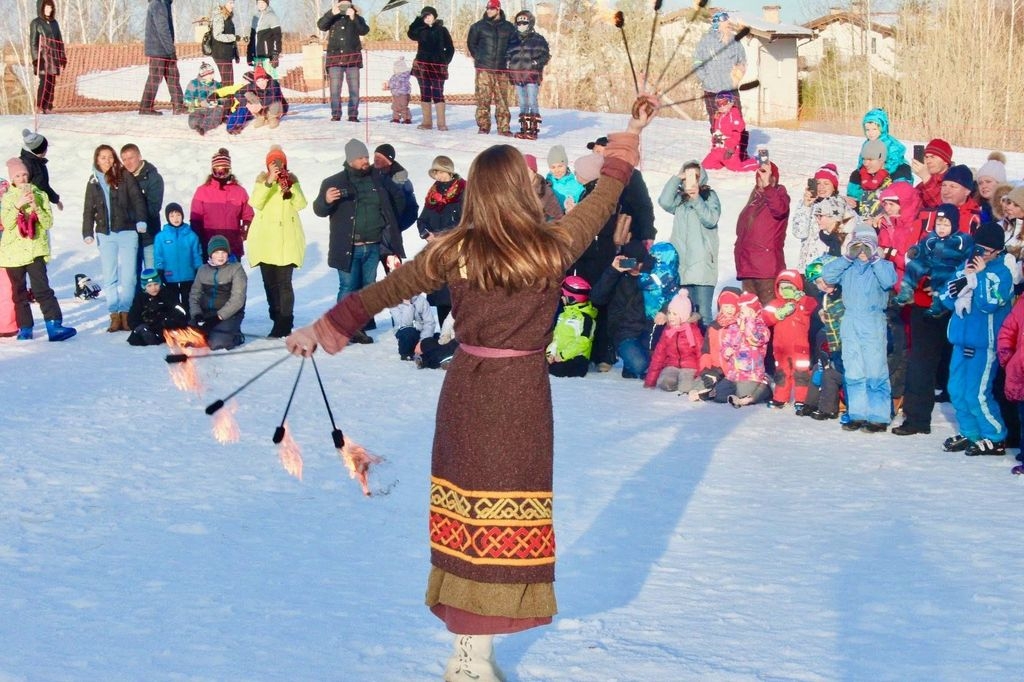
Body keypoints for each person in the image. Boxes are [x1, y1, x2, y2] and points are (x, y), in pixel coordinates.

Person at [284, 104, 655, 679]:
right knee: (501, 520)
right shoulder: (552, 246)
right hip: (522, 397)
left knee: (470, 519)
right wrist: (629, 139)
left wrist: (321, 330)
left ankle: (468, 654)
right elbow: (604, 197)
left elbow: (379, 294)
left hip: (468, 393)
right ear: (521, 191)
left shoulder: (453, 250)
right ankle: (472, 658)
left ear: (478, 194)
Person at [312, 138, 406, 341]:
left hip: (373, 245)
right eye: (361, 158)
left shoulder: (378, 178)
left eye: (366, 156)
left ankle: (357, 329)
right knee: (347, 288)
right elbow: (319, 210)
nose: (365, 160)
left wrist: (389, 223)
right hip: (348, 246)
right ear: (350, 160)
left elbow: (398, 199)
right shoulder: (333, 182)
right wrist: (326, 200)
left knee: (367, 288)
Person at [939, 222, 1012, 455]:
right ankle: (971, 432)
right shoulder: (966, 266)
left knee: (977, 393)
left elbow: (990, 303)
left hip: (984, 343)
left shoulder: (1002, 272)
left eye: (986, 250)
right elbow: (945, 298)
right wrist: (962, 280)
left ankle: (995, 436)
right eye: (977, 248)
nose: (980, 254)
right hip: (961, 340)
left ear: (997, 251)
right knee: (956, 390)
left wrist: (978, 279)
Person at [820, 224, 897, 432]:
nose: (862, 251)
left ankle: (879, 416)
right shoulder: (848, 267)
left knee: (875, 368)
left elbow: (889, 281)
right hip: (851, 320)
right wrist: (846, 257)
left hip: (873, 320)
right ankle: (857, 413)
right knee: (853, 368)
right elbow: (828, 275)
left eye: (867, 246)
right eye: (858, 246)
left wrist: (874, 258)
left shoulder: (883, 265)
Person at [0, 157, 75, 341]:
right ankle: (25, 328)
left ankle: (54, 325)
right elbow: (7, 224)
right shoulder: (8, 198)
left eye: (24, 174)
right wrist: (18, 205)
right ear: (12, 179)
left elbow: (48, 223)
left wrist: (36, 208)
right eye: (18, 175)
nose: (22, 178)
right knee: (18, 292)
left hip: (35, 250)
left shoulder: (40, 194)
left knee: (42, 289)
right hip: (13, 254)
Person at [82, 145, 147, 332]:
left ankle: (126, 314)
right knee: (110, 276)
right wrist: (87, 231)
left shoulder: (124, 175)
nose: (107, 161)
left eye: (110, 157)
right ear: (97, 159)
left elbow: (137, 199)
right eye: (103, 157)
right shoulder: (93, 180)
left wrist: (141, 220)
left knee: (129, 277)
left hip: (127, 232)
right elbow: (88, 208)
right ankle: (114, 315)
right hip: (105, 233)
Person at [246, 145, 307, 338]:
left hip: (286, 240)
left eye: (280, 162)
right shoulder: (262, 182)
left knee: (285, 284)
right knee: (269, 284)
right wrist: (270, 181)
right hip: (265, 241)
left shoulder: (292, 181)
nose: (277, 166)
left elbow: (301, 204)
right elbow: (255, 203)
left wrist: (290, 185)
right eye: (273, 163)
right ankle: (276, 316)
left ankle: (285, 322)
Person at [659, 160, 721, 322]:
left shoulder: (709, 196)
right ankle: (690, 347)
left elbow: (711, 219)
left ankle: (707, 348)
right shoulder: (680, 201)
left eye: (695, 176)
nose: (691, 179)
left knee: (703, 315)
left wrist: (696, 199)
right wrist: (676, 179)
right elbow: (664, 202)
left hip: (702, 266)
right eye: (687, 176)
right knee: (683, 314)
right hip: (682, 266)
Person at [895, 203, 975, 318]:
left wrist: (963, 267)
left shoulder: (962, 239)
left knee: (942, 275)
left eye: (946, 225)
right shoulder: (931, 236)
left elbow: (969, 255)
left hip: (949, 266)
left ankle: (938, 303)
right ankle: (907, 289)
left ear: (954, 225)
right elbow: (923, 247)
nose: (941, 228)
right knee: (914, 265)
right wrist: (915, 250)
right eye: (938, 224)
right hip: (931, 263)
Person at [591, 242, 653, 379]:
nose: (635, 267)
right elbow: (596, 298)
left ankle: (630, 365)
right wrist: (613, 271)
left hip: (646, 332)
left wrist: (648, 271)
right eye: (631, 262)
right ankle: (631, 362)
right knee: (641, 365)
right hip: (623, 332)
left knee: (654, 365)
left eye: (639, 262)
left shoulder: (650, 277)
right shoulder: (616, 277)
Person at [734, 161, 789, 305]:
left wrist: (767, 186)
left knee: (769, 313)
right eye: (759, 175)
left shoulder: (779, 195)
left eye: (765, 175)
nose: (761, 178)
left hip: (767, 269)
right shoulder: (755, 199)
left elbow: (779, 209)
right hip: (748, 266)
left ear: (773, 178)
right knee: (749, 314)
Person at [762, 270, 817, 410]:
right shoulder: (775, 304)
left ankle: (802, 399)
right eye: (782, 287)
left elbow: (813, 306)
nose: (785, 291)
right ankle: (780, 397)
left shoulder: (802, 303)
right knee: (782, 373)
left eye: (789, 288)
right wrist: (778, 314)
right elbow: (765, 318)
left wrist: (801, 298)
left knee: (801, 373)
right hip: (780, 348)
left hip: (800, 347)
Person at [190, 148, 254, 258]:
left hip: (232, 246)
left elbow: (248, 215)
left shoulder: (239, 191)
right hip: (210, 246)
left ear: (229, 170)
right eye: (217, 171)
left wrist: (245, 231)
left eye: (224, 171)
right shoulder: (202, 191)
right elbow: (195, 220)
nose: (220, 175)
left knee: (233, 275)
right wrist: (200, 241)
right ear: (212, 171)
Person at [190, 235, 247, 351]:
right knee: (188, 340)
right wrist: (197, 314)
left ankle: (236, 336)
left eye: (223, 252)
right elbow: (194, 294)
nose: (220, 256)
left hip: (229, 314)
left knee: (217, 344)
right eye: (216, 252)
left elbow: (238, 299)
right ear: (211, 254)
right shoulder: (202, 270)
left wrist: (218, 317)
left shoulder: (236, 269)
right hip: (206, 313)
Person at [467, 0, 515, 136]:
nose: (489, 11)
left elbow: (514, 45)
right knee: (483, 99)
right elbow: (471, 44)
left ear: (498, 9)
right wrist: (479, 58)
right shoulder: (478, 27)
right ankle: (483, 126)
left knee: (503, 101)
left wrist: (509, 60)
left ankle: (504, 128)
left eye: (492, 9)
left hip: (502, 70)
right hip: (484, 69)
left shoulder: (509, 27)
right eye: (488, 8)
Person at [694, 12, 746, 134]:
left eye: (728, 21)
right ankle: (718, 147)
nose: (728, 23)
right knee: (716, 119)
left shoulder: (735, 41)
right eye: (725, 22)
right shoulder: (706, 41)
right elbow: (697, 61)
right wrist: (705, 79)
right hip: (712, 89)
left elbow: (742, 61)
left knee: (736, 119)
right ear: (717, 23)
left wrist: (738, 75)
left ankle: (740, 150)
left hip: (731, 89)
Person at [644, 289, 704, 394]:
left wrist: (700, 374)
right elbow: (659, 355)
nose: (671, 317)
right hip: (672, 366)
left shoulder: (693, 331)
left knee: (685, 388)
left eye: (675, 314)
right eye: (669, 313)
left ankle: (691, 383)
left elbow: (701, 354)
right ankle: (676, 380)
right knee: (665, 383)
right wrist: (650, 381)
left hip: (690, 367)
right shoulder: (668, 331)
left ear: (684, 316)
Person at [318, 0, 369, 122]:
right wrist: (331, 13)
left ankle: (353, 115)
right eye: (342, 4)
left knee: (354, 89)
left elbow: (364, 30)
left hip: (353, 59)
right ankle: (336, 115)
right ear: (337, 5)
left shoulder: (356, 17)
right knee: (334, 90)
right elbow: (321, 26)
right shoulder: (332, 16)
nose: (344, 7)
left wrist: (353, 17)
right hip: (334, 59)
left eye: (347, 4)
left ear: (351, 5)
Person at [718, 292, 771, 407]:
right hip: (734, 373)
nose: (743, 315)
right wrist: (726, 351)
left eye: (747, 312)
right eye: (742, 311)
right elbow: (725, 343)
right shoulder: (734, 327)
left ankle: (764, 387)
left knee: (743, 392)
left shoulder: (762, 327)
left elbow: (755, 339)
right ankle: (737, 395)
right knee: (720, 394)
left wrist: (749, 321)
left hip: (752, 374)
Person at [790, 163, 845, 272]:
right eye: (818, 183)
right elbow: (799, 232)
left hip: (827, 269)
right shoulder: (806, 204)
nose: (821, 187)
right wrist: (806, 206)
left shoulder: (840, 206)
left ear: (834, 187)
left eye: (826, 183)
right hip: (805, 267)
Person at [408, 6, 455, 130]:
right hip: (422, 66)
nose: (427, 18)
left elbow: (450, 47)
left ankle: (441, 124)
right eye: (425, 16)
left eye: (429, 16)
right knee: (425, 93)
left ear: (435, 16)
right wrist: (418, 20)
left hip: (438, 66)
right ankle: (427, 123)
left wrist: (445, 61)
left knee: (438, 93)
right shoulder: (420, 30)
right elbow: (410, 33)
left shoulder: (442, 30)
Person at [120, 143, 164, 272]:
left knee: (152, 277)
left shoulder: (153, 178)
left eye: (131, 158)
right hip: (128, 237)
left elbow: (153, 209)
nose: (128, 163)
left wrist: (128, 215)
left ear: (139, 156)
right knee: (133, 277)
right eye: (124, 159)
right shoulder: (121, 179)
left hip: (148, 236)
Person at [373, 143, 419, 265]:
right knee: (368, 280)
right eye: (375, 156)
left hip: (391, 239)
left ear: (389, 160)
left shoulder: (401, 180)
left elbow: (412, 209)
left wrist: (395, 225)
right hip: (370, 236)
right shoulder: (368, 176)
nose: (376, 160)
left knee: (394, 279)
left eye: (381, 157)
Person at [506, 10, 549, 140]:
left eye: (524, 22)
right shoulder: (513, 40)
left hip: (532, 75)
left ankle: (533, 129)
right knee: (523, 103)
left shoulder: (538, 39)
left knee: (532, 101)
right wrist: (508, 62)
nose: (521, 25)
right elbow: (507, 53)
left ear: (530, 23)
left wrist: (536, 63)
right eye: (519, 22)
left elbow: (545, 55)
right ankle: (524, 128)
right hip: (517, 75)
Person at [845, 138, 911, 221]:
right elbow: (853, 204)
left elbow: (904, 206)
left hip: (887, 227)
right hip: (863, 228)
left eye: (870, 159)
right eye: (864, 159)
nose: (865, 163)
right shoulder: (858, 176)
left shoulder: (896, 178)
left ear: (882, 159)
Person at [153, 202, 202, 309]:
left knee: (188, 302)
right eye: (172, 216)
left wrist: (198, 269)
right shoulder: (161, 237)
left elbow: (196, 254)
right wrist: (160, 271)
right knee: (173, 304)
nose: (176, 218)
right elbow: (158, 256)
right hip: (169, 276)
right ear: (167, 218)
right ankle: (176, 323)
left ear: (182, 216)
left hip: (188, 276)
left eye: (178, 215)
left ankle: (190, 322)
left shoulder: (191, 235)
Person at [546, 275, 597, 378]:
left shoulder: (586, 318)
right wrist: (550, 354)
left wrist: (562, 356)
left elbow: (583, 342)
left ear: (572, 299)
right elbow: (556, 337)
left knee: (559, 370)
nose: (561, 298)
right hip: (559, 356)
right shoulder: (563, 315)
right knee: (540, 364)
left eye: (563, 296)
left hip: (577, 359)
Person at [140, 0, 185, 116]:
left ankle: (179, 106)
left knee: (173, 76)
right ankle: (145, 107)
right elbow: (163, 29)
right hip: (158, 50)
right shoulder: (158, 4)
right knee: (154, 78)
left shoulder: (164, 4)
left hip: (164, 49)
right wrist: (171, 50)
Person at [126, 268, 187, 346]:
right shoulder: (140, 298)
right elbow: (133, 316)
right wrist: (139, 326)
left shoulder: (166, 294)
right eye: (149, 286)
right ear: (144, 287)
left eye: (156, 284)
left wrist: (170, 319)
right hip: (149, 326)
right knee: (136, 338)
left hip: (165, 324)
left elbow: (179, 310)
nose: (153, 288)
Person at [701, 92, 757, 172]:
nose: (721, 106)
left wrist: (730, 149)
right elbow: (716, 132)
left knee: (736, 168)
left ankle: (759, 160)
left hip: (729, 150)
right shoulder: (718, 115)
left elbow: (736, 133)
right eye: (718, 103)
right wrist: (714, 143)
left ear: (731, 102)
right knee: (705, 165)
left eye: (724, 102)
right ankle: (722, 162)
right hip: (717, 149)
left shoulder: (733, 115)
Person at [29, 0, 66, 114]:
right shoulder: (36, 23)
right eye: (46, 8)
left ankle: (48, 107)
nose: (48, 10)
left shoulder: (55, 23)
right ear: (41, 8)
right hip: (43, 57)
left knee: (52, 82)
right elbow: (33, 42)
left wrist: (62, 57)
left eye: (50, 8)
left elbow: (59, 40)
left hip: (54, 57)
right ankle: (40, 106)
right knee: (44, 81)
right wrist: (36, 59)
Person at [227, 64, 288, 133]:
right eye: (258, 81)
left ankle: (272, 117)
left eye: (262, 80)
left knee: (273, 124)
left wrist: (260, 105)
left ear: (267, 80)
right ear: (255, 82)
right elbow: (237, 93)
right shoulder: (253, 85)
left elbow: (273, 96)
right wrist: (247, 104)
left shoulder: (274, 83)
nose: (260, 83)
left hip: (276, 108)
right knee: (247, 94)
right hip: (263, 108)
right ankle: (261, 116)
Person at [855, 108, 907, 177]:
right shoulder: (866, 144)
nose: (871, 133)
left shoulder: (890, 143)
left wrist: (884, 170)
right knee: (855, 177)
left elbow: (894, 159)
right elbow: (862, 160)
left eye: (874, 129)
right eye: (868, 130)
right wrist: (861, 171)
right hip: (873, 172)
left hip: (892, 171)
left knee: (900, 176)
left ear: (882, 128)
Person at [20, 128, 61, 212]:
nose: (47, 150)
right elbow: (42, 186)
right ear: (40, 151)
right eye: (45, 148)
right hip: (32, 206)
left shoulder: (32, 160)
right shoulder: (33, 165)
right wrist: (56, 200)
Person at [391, 290, 435, 361]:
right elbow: (404, 325)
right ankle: (406, 354)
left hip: (421, 333)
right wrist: (408, 305)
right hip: (404, 334)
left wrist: (423, 341)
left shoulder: (421, 300)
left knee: (437, 337)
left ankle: (423, 353)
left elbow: (429, 322)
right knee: (409, 332)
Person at [184, 62, 224, 136]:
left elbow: (223, 99)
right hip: (197, 109)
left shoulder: (217, 85)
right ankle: (200, 125)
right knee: (192, 123)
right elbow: (186, 100)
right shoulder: (193, 84)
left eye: (212, 73)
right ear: (203, 75)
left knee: (218, 112)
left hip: (212, 109)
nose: (211, 76)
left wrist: (217, 102)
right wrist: (199, 103)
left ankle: (203, 128)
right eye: (209, 74)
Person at [912, 137, 952, 210]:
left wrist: (926, 177)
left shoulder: (955, 182)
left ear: (945, 160)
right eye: (926, 157)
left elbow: (943, 207)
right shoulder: (922, 185)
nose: (928, 161)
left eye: (933, 157)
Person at [247, 0, 282, 80]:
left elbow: (277, 36)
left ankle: (275, 92)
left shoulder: (271, 16)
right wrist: (249, 54)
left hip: (267, 57)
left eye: (263, 2)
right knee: (259, 81)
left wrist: (275, 54)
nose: (261, 5)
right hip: (257, 57)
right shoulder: (255, 17)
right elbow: (252, 38)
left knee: (271, 80)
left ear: (267, 3)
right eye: (259, 3)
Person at [210, 0, 241, 87]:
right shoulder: (219, 16)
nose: (233, 5)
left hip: (227, 54)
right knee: (227, 82)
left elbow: (231, 38)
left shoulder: (228, 17)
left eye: (233, 3)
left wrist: (236, 54)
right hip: (221, 54)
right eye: (230, 3)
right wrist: (234, 37)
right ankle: (225, 100)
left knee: (229, 82)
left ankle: (227, 99)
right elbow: (217, 35)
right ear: (224, 3)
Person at [523, 154, 563, 222]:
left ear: (534, 172)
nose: (524, 176)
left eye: (527, 172)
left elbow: (558, 216)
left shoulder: (545, 192)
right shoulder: (515, 187)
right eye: (522, 172)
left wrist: (546, 229)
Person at [545, 145, 584, 212]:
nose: (557, 170)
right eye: (553, 167)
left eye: (560, 166)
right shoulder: (547, 182)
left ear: (566, 165)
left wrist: (574, 207)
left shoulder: (577, 185)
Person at [975, 152, 1007, 223]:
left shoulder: (1009, 209)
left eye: (988, 181)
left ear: (999, 183)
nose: (984, 186)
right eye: (980, 183)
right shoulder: (975, 206)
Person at [384, 57, 413, 124]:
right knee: (396, 106)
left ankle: (406, 118)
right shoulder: (400, 76)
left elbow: (395, 84)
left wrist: (389, 86)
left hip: (402, 95)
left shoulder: (400, 76)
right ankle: (396, 118)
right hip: (397, 94)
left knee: (402, 106)